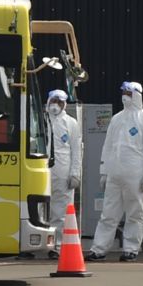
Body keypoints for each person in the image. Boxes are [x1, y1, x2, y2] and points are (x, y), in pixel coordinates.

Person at [85, 81, 143, 262]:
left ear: (137, 95)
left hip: (136, 175)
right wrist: (104, 171)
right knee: (108, 214)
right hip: (115, 174)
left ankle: (131, 249)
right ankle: (99, 249)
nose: (124, 95)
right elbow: (108, 146)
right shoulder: (117, 119)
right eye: (123, 92)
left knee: (135, 213)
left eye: (128, 92)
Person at [46, 90, 82, 260]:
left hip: (63, 171)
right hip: (41, 169)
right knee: (39, 207)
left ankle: (57, 246)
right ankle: (31, 245)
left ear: (64, 104)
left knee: (60, 210)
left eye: (59, 102)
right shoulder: (40, 119)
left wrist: (75, 173)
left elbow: (76, 150)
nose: (56, 105)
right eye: (53, 101)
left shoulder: (71, 123)